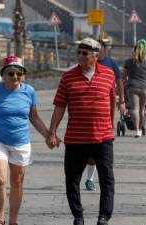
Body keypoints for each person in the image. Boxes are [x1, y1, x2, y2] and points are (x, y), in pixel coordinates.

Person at [0, 56, 49, 225]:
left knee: (17, 182)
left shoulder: (29, 92)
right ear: (3, 75)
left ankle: (13, 221)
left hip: (21, 142)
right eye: (10, 73)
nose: (15, 77)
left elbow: (34, 117)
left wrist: (49, 135)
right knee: (0, 178)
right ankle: (0, 219)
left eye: (18, 73)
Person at [47, 38, 115, 225]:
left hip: (103, 138)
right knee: (72, 180)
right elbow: (59, 107)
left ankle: (104, 216)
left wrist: (110, 126)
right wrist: (52, 132)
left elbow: (111, 103)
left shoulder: (109, 75)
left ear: (96, 55)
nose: (80, 56)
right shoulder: (68, 77)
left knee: (107, 179)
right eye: (78, 52)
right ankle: (78, 215)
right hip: (76, 139)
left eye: (85, 53)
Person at [84, 39, 125, 191]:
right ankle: (87, 177)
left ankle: (90, 179)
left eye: (98, 49)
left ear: (104, 50)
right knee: (87, 152)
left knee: (98, 152)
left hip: (105, 112)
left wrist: (121, 101)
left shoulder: (110, 63)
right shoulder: (84, 65)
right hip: (87, 116)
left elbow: (119, 82)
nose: (96, 52)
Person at [123, 39, 146, 138]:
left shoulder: (128, 61)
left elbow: (124, 76)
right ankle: (141, 129)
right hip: (144, 87)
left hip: (132, 87)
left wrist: (124, 82)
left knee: (134, 108)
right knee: (142, 109)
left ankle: (136, 130)